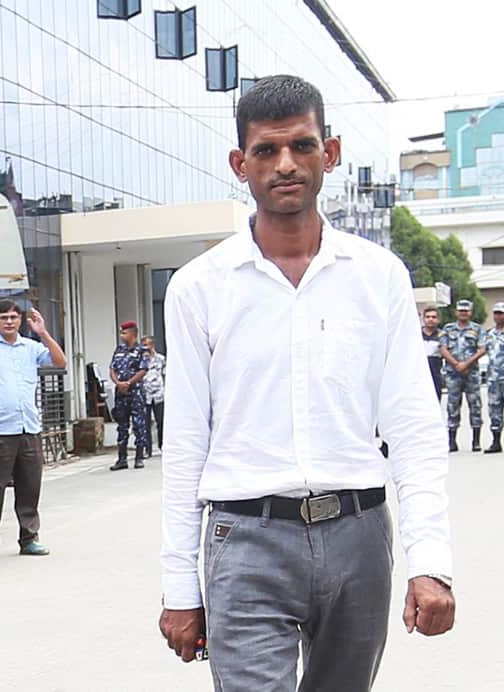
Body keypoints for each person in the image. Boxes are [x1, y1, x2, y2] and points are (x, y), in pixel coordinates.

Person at [159, 76, 454, 692]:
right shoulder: (199, 287)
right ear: (241, 164)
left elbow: (413, 427)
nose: (286, 164)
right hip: (245, 540)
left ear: (332, 152)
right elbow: (186, 441)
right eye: (266, 150)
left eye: (302, 145)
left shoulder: (379, 278)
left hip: (359, 536)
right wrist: (179, 585)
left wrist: (431, 564)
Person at [0, 300, 66, 560]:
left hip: (29, 427)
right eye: (4, 317)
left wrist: (43, 333)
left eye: (14, 317)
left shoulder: (31, 347)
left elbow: (60, 362)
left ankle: (29, 537)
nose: (9, 321)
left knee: (30, 485)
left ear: (21, 320)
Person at [439, 299, 487, 452]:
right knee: (452, 406)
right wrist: (456, 364)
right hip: (453, 374)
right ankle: (452, 441)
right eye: (460, 310)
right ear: (456, 312)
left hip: (471, 373)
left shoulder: (477, 329)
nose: (463, 313)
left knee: (475, 406)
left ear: (470, 312)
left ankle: (476, 441)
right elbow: (443, 348)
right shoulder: (448, 328)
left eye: (466, 311)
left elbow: (482, 349)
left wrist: (466, 364)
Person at [108, 321, 150, 470]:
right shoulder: (119, 350)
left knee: (139, 425)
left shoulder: (142, 350)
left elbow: (143, 370)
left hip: (135, 393)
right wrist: (118, 383)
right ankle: (122, 459)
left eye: (124, 333)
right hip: (121, 394)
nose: (121, 336)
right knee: (122, 426)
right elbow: (112, 369)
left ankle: (139, 457)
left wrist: (129, 383)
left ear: (133, 334)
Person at [484, 302, 504, 453]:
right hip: (493, 380)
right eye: (496, 313)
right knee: (494, 410)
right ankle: (496, 442)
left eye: (501, 313)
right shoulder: (489, 334)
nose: (499, 316)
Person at [141, 335, 166, 458]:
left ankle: (162, 445)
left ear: (152, 345)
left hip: (158, 394)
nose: (146, 348)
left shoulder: (161, 359)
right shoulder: (140, 360)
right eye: (143, 345)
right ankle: (147, 449)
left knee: (160, 421)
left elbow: (166, 374)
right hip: (145, 394)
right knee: (145, 423)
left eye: (147, 345)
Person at [421, 306, 444, 401]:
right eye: (428, 317)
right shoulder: (415, 334)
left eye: (434, 317)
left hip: (435, 375)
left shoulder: (442, 336)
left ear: (438, 319)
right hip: (419, 375)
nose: (430, 319)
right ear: (423, 318)